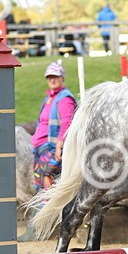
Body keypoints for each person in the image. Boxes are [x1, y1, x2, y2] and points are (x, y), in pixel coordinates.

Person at [31, 62, 76, 191]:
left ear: (62, 78)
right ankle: (43, 209)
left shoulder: (64, 99)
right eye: (49, 77)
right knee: (39, 182)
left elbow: (66, 123)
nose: (52, 79)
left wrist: (59, 145)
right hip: (40, 149)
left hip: (53, 149)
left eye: (55, 76)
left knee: (48, 179)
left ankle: (51, 210)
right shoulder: (48, 99)